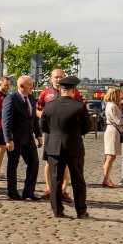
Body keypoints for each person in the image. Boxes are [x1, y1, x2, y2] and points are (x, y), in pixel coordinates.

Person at [40, 75, 88, 218]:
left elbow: (43, 126)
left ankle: (57, 210)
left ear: (61, 89)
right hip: (74, 146)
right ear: (74, 90)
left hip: (54, 147)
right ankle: (81, 210)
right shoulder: (79, 106)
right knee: (78, 180)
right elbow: (87, 127)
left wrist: (55, 134)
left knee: (56, 180)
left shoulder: (49, 106)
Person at [2, 75, 42, 200]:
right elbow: (6, 121)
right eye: (29, 85)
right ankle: (12, 191)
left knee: (34, 163)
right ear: (21, 86)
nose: (32, 87)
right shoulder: (11, 98)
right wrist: (8, 139)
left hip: (29, 139)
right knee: (13, 165)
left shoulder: (31, 98)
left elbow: (33, 118)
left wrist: (38, 134)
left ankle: (29, 191)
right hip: (15, 139)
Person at [100, 87, 123, 188]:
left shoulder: (109, 105)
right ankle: (106, 179)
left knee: (109, 156)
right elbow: (119, 121)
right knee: (110, 156)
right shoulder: (112, 106)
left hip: (111, 130)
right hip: (113, 132)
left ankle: (107, 178)